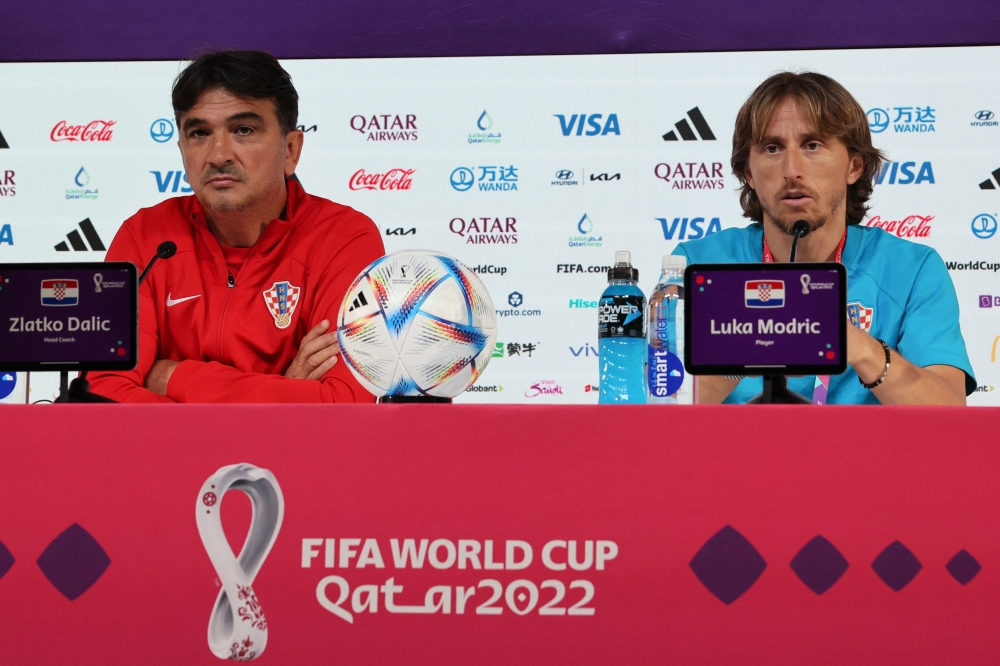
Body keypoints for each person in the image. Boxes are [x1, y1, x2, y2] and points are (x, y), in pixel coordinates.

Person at [89, 50, 384, 402]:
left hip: (292, 460)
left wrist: (172, 376)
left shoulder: (344, 238)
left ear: (290, 149)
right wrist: (288, 394)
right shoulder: (145, 238)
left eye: (243, 130)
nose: (218, 155)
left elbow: (343, 403)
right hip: (169, 458)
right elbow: (102, 392)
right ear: (182, 148)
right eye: (199, 133)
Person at [673, 72, 974, 405]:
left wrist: (863, 350)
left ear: (854, 165)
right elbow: (655, 412)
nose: (792, 169)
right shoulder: (696, 266)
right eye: (772, 148)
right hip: (736, 456)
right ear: (749, 173)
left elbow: (950, 413)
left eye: (812, 145)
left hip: (863, 457)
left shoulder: (912, 269)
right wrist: (741, 346)